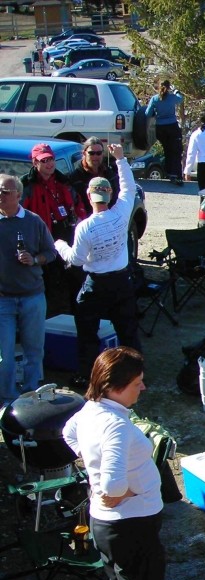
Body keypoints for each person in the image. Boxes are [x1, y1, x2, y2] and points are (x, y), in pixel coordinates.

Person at [62, 346, 187, 580]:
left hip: (109, 526)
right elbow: (114, 485)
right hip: (131, 525)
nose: (142, 388)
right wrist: (122, 491)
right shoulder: (114, 426)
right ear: (114, 385)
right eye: (137, 383)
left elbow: (68, 434)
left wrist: (91, 465)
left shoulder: (90, 411)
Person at [54, 144, 142, 390]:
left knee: (88, 334)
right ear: (110, 194)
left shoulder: (85, 227)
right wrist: (121, 159)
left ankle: (88, 376)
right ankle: (135, 376)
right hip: (122, 282)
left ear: (90, 196)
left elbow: (76, 260)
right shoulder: (122, 212)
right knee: (128, 331)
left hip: (96, 284)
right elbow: (129, 187)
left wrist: (59, 245)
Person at [0, 174, 57, 403]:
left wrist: (34, 260)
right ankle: (8, 400)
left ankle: (32, 396)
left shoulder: (33, 222)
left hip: (32, 296)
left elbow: (51, 253)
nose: (0, 196)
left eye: (5, 191)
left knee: (34, 350)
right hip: (2, 299)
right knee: (5, 355)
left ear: (18, 195)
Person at [19, 142, 88, 315]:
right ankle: (46, 317)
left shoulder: (63, 182)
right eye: (44, 160)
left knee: (74, 276)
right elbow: (17, 214)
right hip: (40, 239)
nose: (49, 164)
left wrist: (81, 222)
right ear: (35, 163)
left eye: (51, 159)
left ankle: (76, 313)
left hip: (65, 235)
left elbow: (78, 203)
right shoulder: (25, 186)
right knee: (46, 282)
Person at [145, 80, 185, 185]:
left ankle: (170, 174)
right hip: (172, 126)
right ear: (169, 87)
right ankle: (177, 175)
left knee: (167, 151)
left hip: (160, 128)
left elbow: (147, 113)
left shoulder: (155, 98)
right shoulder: (172, 97)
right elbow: (181, 99)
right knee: (175, 151)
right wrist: (176, 91)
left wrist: (156, 112)